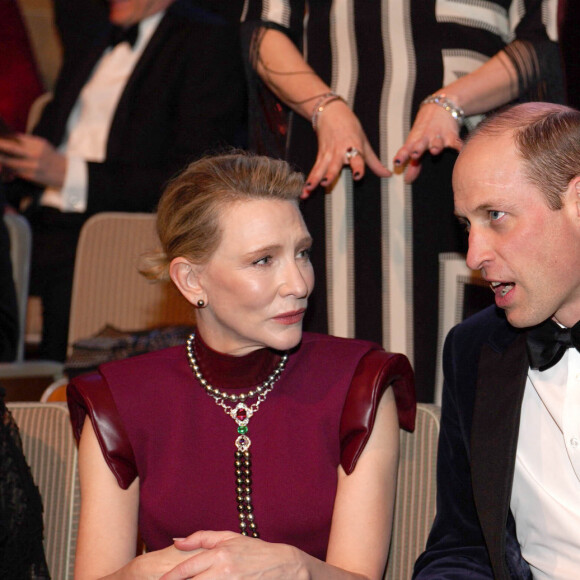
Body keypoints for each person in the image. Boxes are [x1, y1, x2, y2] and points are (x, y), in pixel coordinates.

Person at [66, 152, 415, 579]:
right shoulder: (119, 399)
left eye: (302, 253)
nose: (299, 283)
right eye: (263, 260)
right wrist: (142, 573)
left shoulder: (359, 381)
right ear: (192, 280)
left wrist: (295, 567)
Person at [242, 0, 563, 401]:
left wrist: (448, 101)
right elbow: (264, 29)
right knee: (331, 361)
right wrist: (324, 107)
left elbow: (538, 43)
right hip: (329, 167)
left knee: (457, 365)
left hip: (459, 164)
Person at [0, 0, 246, 362]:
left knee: (66, 269)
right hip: (41, 220)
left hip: (112, 225)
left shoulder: (206, 43)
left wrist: (68, 174)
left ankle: (56, 399)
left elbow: (191, 176)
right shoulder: (95, 39)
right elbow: (48, 139)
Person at [413, 102, 580, 578]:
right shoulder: (473, 348)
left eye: (496, 216)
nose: (474, 255)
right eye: (468, 225)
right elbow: (462, 545)